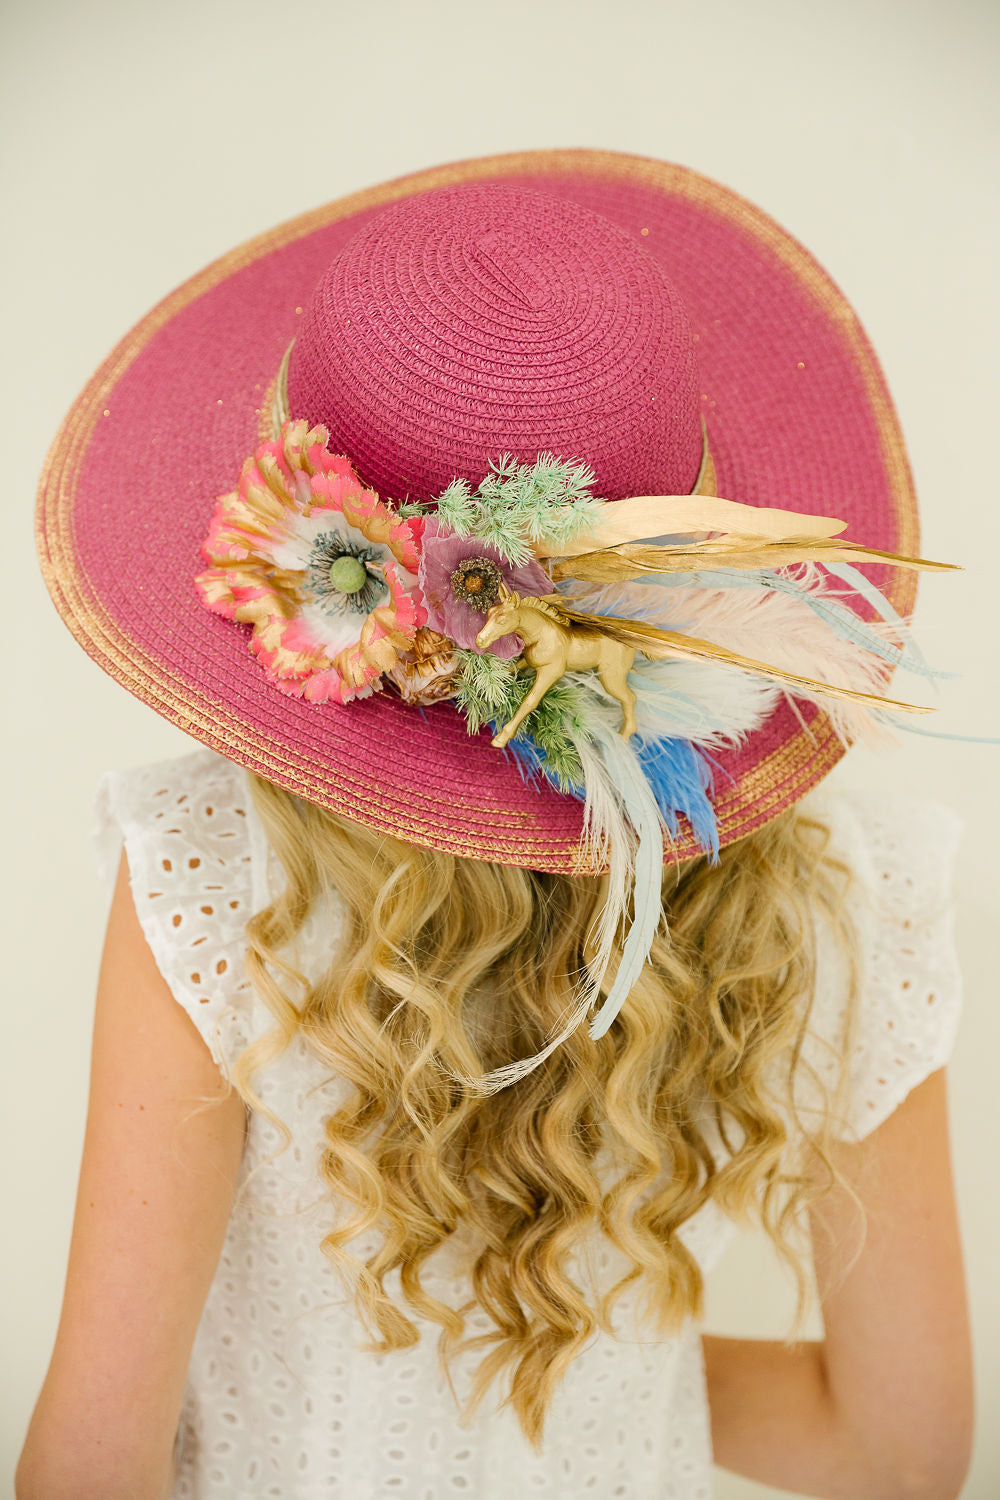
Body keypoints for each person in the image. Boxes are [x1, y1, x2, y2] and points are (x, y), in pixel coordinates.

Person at [19, 149, 973, 1499]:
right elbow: (894, 1450)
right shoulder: (848, 908)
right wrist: (597, 1379)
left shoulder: (213, 877)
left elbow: (88, 1466)